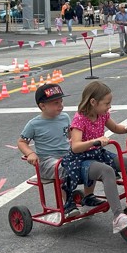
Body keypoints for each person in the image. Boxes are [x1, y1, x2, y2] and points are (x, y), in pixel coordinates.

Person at [59, 82, 127, 233]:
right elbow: (75, 146)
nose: (109, 107)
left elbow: (116, 128)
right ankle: (118, 217)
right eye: (107, 103)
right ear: (93, 102)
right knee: (107, 171)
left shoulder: (102, 114)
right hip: (81, 159)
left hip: (97, 154)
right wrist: (94, 141)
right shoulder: (80, 119)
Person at [18, 83, 79, 217]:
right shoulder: (34, 124)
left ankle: (87, 197)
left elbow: (70, 135)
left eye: (61, 101)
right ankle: (68, 204)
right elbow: (21, 142)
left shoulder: (65, 117)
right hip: (47, 162)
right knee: (64, 168)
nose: (60, 105)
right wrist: (30, 153)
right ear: (42, 106)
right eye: (55, 103)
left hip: (66, 156)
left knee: (87, 162)